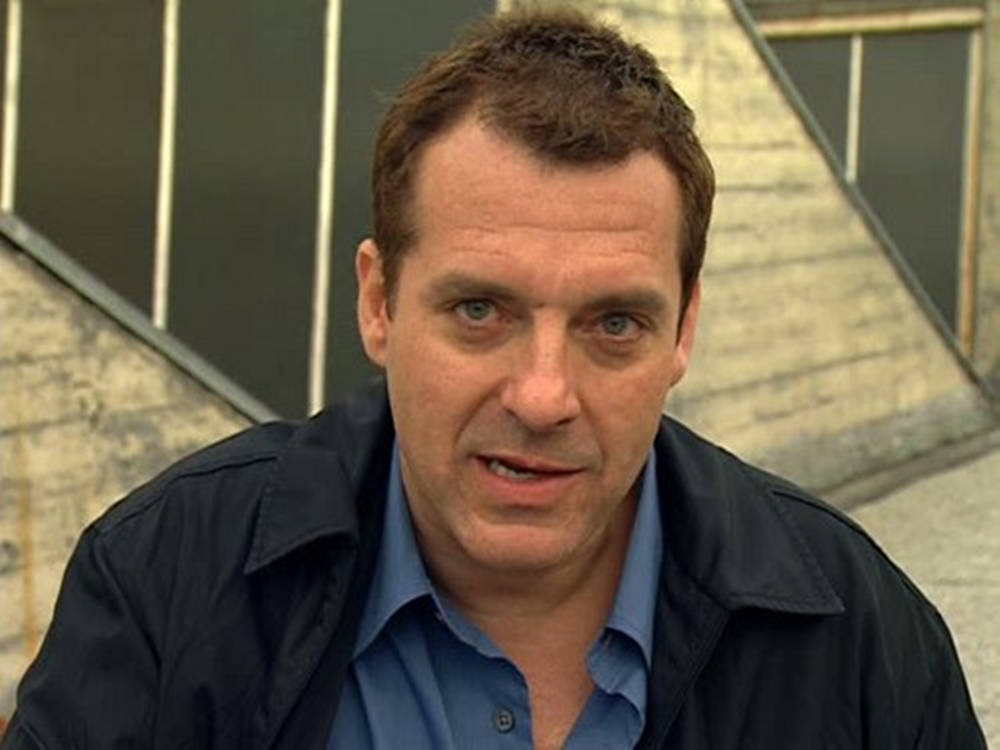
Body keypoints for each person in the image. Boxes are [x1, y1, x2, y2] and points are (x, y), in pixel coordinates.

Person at [0, 8, 985, 750]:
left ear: (683, 330)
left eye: (613, 324)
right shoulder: (163, 586)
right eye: (480, 311)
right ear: (378, 302)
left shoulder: (861, 639)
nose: (542, 396)